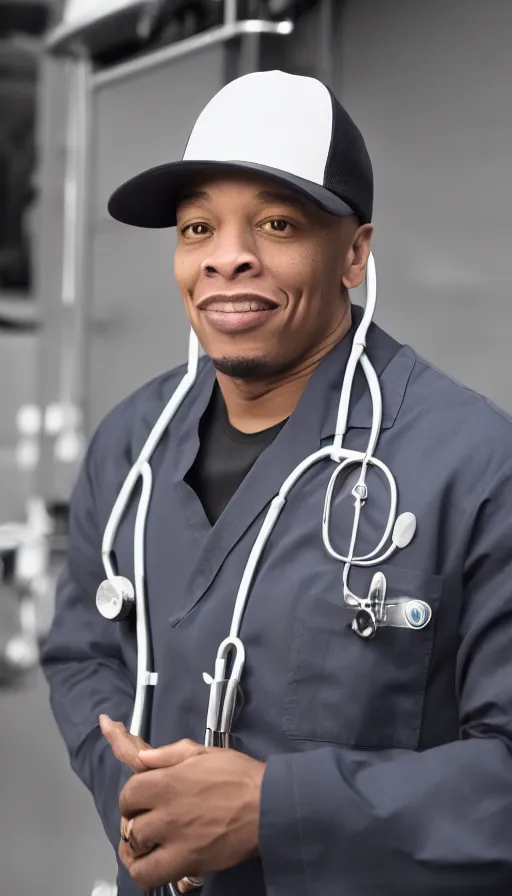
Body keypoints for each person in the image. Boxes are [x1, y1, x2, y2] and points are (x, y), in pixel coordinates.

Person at [40, 70, 512, 896]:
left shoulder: (471, 465)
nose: (227, 257)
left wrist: (276, 810)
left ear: (355, 253)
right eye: (197, 226)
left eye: (277, 222)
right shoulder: (131, 447)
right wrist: (141, 802)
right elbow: (82, 650)